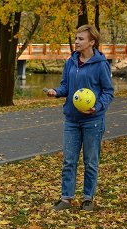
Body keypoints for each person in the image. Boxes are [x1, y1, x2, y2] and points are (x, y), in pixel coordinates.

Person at [45, 24, 114, 212]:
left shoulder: (101, 64)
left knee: (90, 161)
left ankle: (87, 199)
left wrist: (97, 107)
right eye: (76, 38)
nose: (76, 42)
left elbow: (108, 91)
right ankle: (66, 198)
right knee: (69, 160)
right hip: (72, 120)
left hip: (93, 120)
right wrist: (56, 92)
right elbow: (66, 87)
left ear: (92, 42)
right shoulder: (71, 62)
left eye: (81, 39)